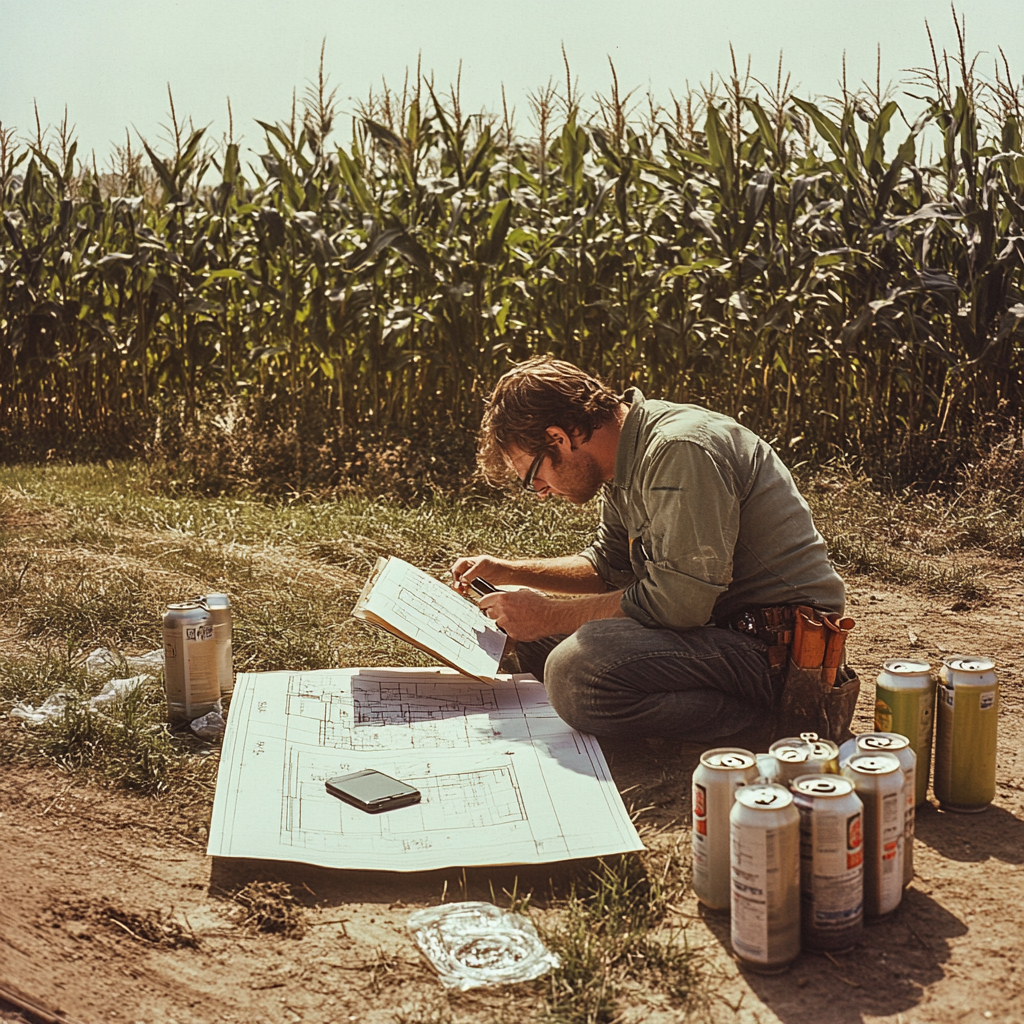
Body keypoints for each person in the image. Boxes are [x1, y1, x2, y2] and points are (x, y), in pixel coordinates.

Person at [451, 357, 845, 742]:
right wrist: (509, 571)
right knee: (533, 636)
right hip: (719, 631)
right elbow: (607, 565)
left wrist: (550, 613)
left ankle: (786, 720)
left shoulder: (680, 450)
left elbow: (679, 602)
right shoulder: (623, 457)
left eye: (534, 475)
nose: (539, 492)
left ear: (560, 438)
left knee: (574, 673)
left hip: (780, 651)